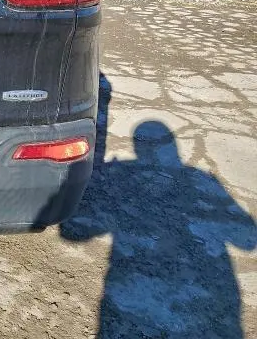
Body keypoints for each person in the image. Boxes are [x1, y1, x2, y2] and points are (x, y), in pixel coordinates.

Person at [61, 110, 256, 338]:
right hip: (210, 303)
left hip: (133, 295)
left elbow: (74, 233)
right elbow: (247, 240)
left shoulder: (128, 172)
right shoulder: (201, 177)